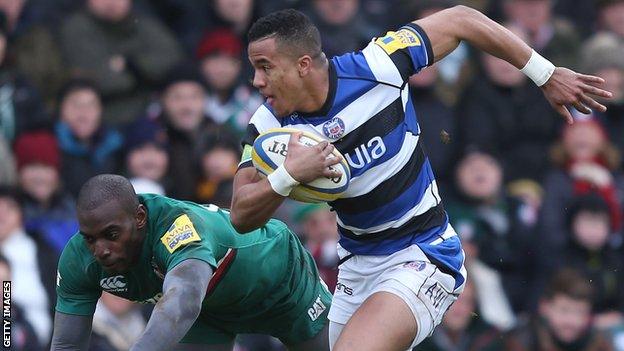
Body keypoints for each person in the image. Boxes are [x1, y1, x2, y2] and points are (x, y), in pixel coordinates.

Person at [230, 7, 612, 351]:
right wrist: (287, 175)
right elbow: (240, 214)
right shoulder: (267, 125)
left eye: (265, 66)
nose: (256, 81)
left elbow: (462, 18)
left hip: (424, 252)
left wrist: (544, 74)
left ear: (303, 64)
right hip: (357, 265)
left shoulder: (378, 66)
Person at [51, 174, 331, 351]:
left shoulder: (178, 227)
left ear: (139, 218)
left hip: (278, 281)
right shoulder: (79, 258)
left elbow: (182, 303)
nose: (100, 250)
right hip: (209, 308)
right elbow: (67, 344)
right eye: (90, 238)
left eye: (111, 235)